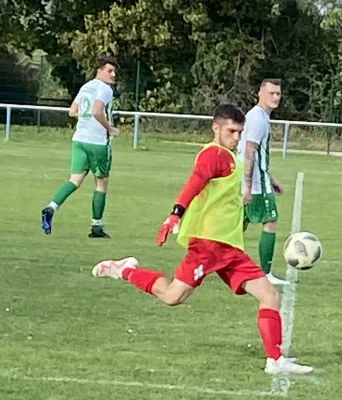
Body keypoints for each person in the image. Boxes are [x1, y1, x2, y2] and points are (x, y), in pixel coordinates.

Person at [91, 103, 313, 375]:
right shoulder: (214, 155)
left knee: (270, 296)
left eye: (240, 132)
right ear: (215, 128)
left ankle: (275, 360)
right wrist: (175, 215)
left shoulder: (231, 157)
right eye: (231, 131)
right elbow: (195, 182)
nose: (236, 137)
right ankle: (126, 270)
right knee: (173, 296)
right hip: (207, 245)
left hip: (229, 248)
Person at [41, 54, 120, 238]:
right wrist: (110, 128)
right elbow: (97, 110)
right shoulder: (105, 89)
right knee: (101, 184)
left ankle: (51, 207)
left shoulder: (86, 87)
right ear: (99, 70)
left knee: (74, 180)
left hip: (79, 140)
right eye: (109, 70)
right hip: (97, 143)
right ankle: (96, 227)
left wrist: (87, 119)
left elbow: (73, 111)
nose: (113, 74)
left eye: (114, 71)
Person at [237, 78, 288, 285]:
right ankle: (265, 274)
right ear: (260, 93)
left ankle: (213, 260)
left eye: (278, 93)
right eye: (271, 93)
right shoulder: (258, 118)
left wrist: (271, 178)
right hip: (256, 183)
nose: (275, 97)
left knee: (239, 223)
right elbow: (250, 151)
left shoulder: (257, 116)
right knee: (271, 221)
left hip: (258, 179)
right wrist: (249, 186)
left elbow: (255, 154)